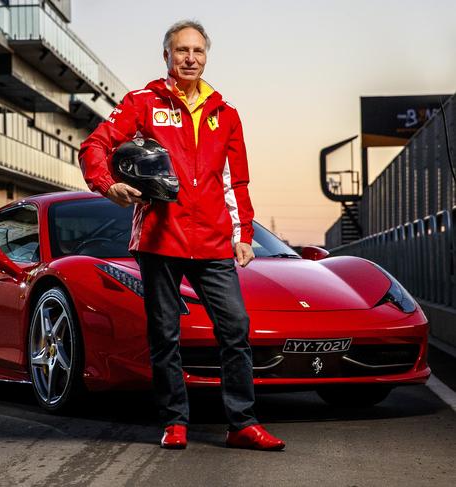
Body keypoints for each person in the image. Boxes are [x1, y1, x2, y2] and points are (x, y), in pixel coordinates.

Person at [79, 20, 285, 451]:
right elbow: (94, 146)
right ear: (167, 56)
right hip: (160, 238)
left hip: (212, 240)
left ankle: (242, 423)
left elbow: (236, 181)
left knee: (235, 329)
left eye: (197, 51)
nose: (190, 58)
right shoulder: (142, 102)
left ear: (206, 55)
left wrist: (243, 232)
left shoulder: (225, 113)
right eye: (181, 51)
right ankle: (175, 422)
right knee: (166, 333)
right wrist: (107, 183)